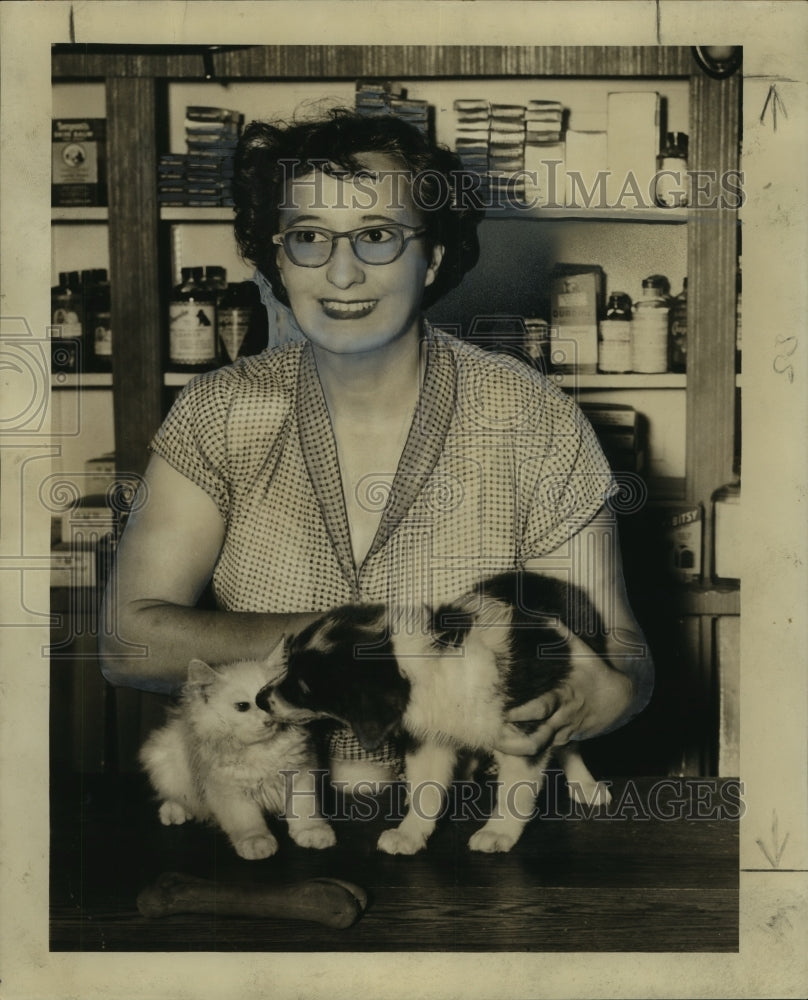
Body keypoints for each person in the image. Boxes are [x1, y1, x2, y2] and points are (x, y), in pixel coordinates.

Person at [100, 108, 653, 783]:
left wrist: (610, 693)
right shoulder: (216, 412)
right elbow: (128, 641)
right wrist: (372, 641)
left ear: (432, 258)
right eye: (309, 237)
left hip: (471, 823)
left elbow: (620, 650)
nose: (341, 273)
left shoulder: (533, 418)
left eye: (377, 237)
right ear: (279, 256)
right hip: (275, 811)